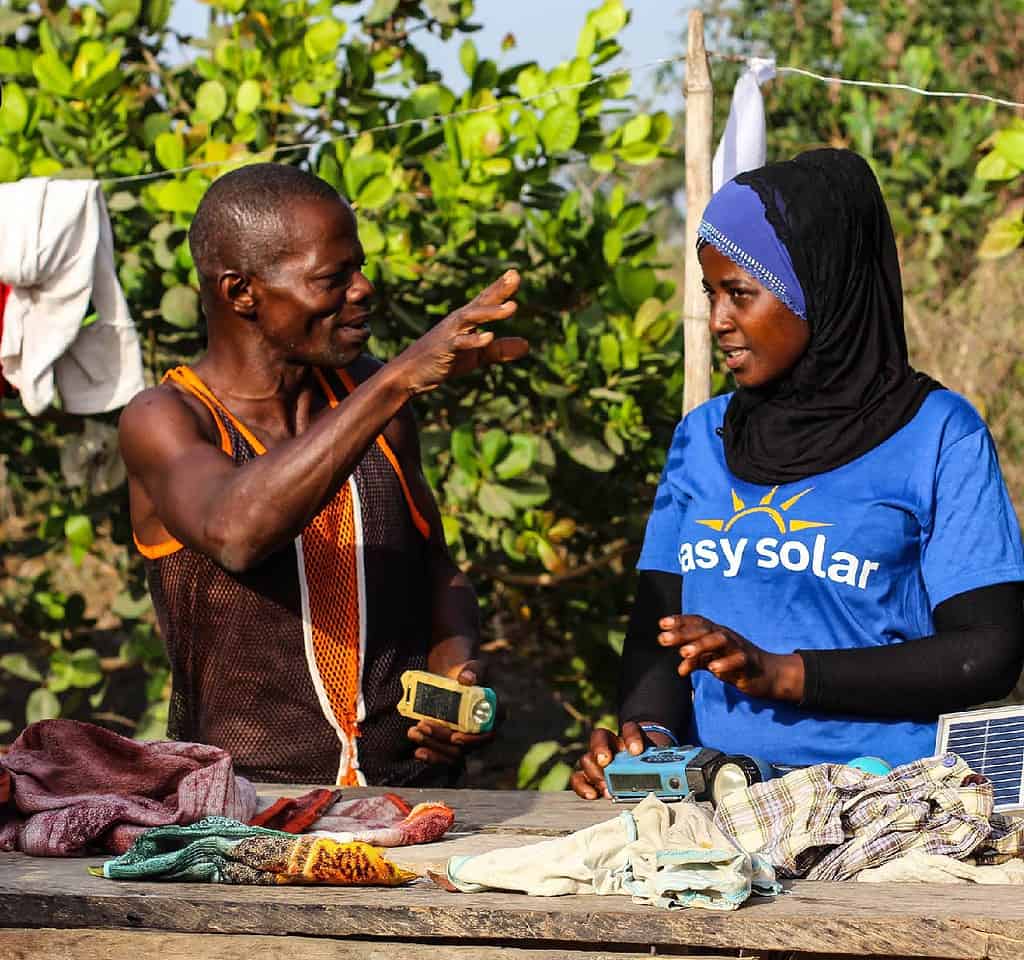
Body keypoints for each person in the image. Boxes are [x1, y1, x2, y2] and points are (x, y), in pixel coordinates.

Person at [572, 148, 1024, 799]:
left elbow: (988, 651)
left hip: (883, 798)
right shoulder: (703, 437)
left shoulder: (937, 433)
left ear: (817, 289)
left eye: (741, 294)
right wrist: (646, 741)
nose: (718, 320)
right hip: (718, 796)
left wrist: (787, 674)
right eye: (711, 294)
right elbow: (657, 637)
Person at [119, 163, 527, 787]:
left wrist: (456, 664)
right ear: (241, 293)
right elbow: (237, 532)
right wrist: (398, 378)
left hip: (413, 802)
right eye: (334, 278)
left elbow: (434, 567)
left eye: (359, 268)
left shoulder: (372, 401)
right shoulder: (166, 418)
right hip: (247, 817)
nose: (362, 290)